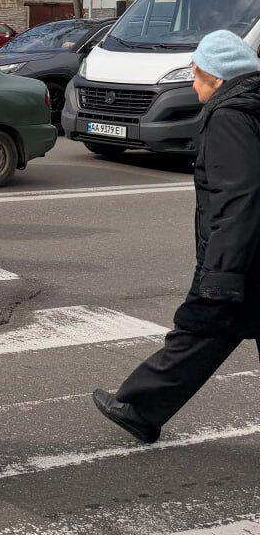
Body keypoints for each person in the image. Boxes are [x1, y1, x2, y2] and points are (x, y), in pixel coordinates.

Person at [94, 30, 260, 444]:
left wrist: (220, 274)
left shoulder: (230, 117)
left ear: (218, 79)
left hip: (244, 258)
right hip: (251, 254)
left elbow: (238, 198)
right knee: (206, 333)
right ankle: (140, 408)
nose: (192, 82)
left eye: (197, 74)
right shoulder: (250, 106)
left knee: (203, 324)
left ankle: (139, 408)